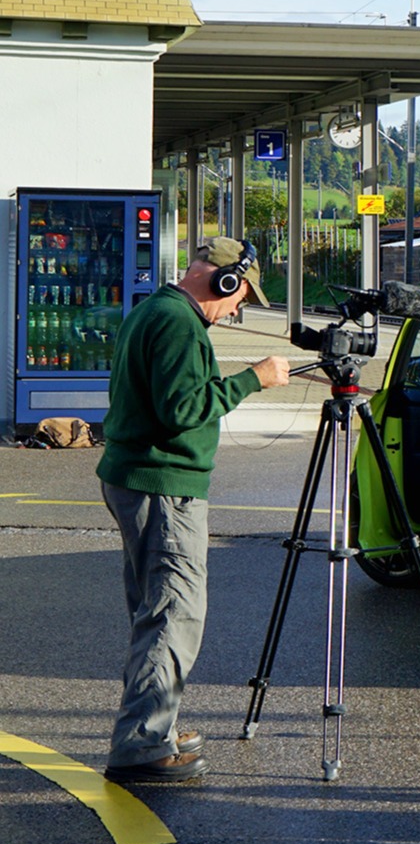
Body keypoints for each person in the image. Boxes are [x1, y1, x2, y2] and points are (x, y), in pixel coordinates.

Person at [97, 237, 290, 784]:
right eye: (241, 297)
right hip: (163, 487)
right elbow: (182, 409)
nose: (238, 309)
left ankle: (154, 726)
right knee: (174, 615)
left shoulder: (155, 309)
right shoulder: (179, 323)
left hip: (137, 479)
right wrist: (255, 378)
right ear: (224, 281)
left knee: (155, 610)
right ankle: (142, 746)